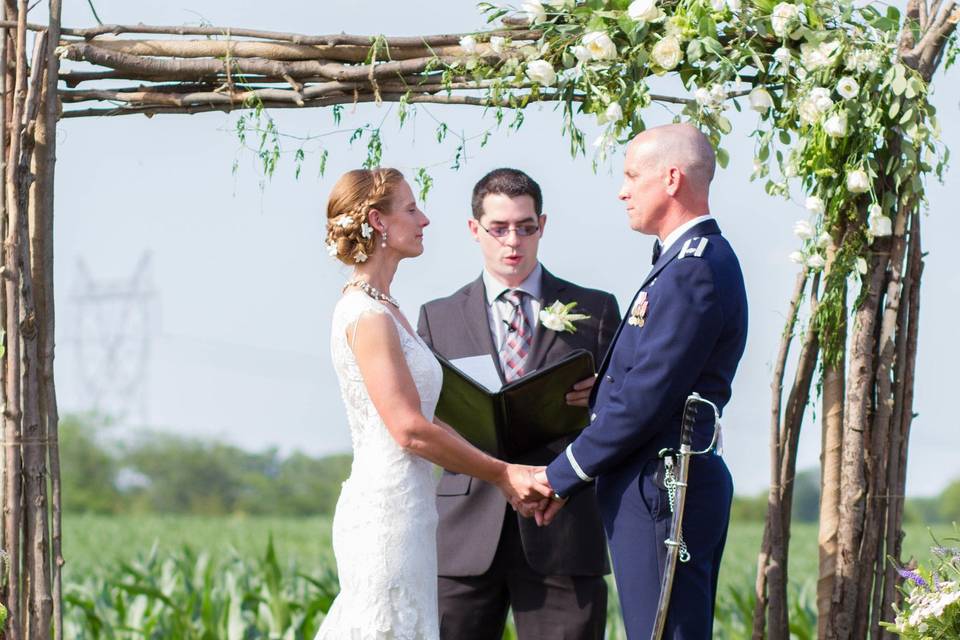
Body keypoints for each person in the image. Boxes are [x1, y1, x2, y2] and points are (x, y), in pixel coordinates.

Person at [317, 168, 552, 640]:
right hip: (386, 511)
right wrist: (502, 472)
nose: (423, 219)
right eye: (410, 209)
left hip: (414, 509)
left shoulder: (390, 309)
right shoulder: (367, 315)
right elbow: (409, 429)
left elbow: (434, 416)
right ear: (378, 223)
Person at [536, 124, 749, 639]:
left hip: (663, 482)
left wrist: (562, 473)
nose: (622, 189)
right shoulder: (682, 262)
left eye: (632, 175)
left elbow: (648, 395)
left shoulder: (693, 268)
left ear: (671, 178)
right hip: (651, 480)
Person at [417, 168, 620, 640]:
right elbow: (428, 420)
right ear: (475, 230)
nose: (514, 241)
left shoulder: (598, 309)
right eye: (500, 228)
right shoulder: (438, 317)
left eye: (526, 227)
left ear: (542, 225)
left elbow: (625, 412)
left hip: (564, 527)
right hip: (464, 535)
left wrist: (601, 398)